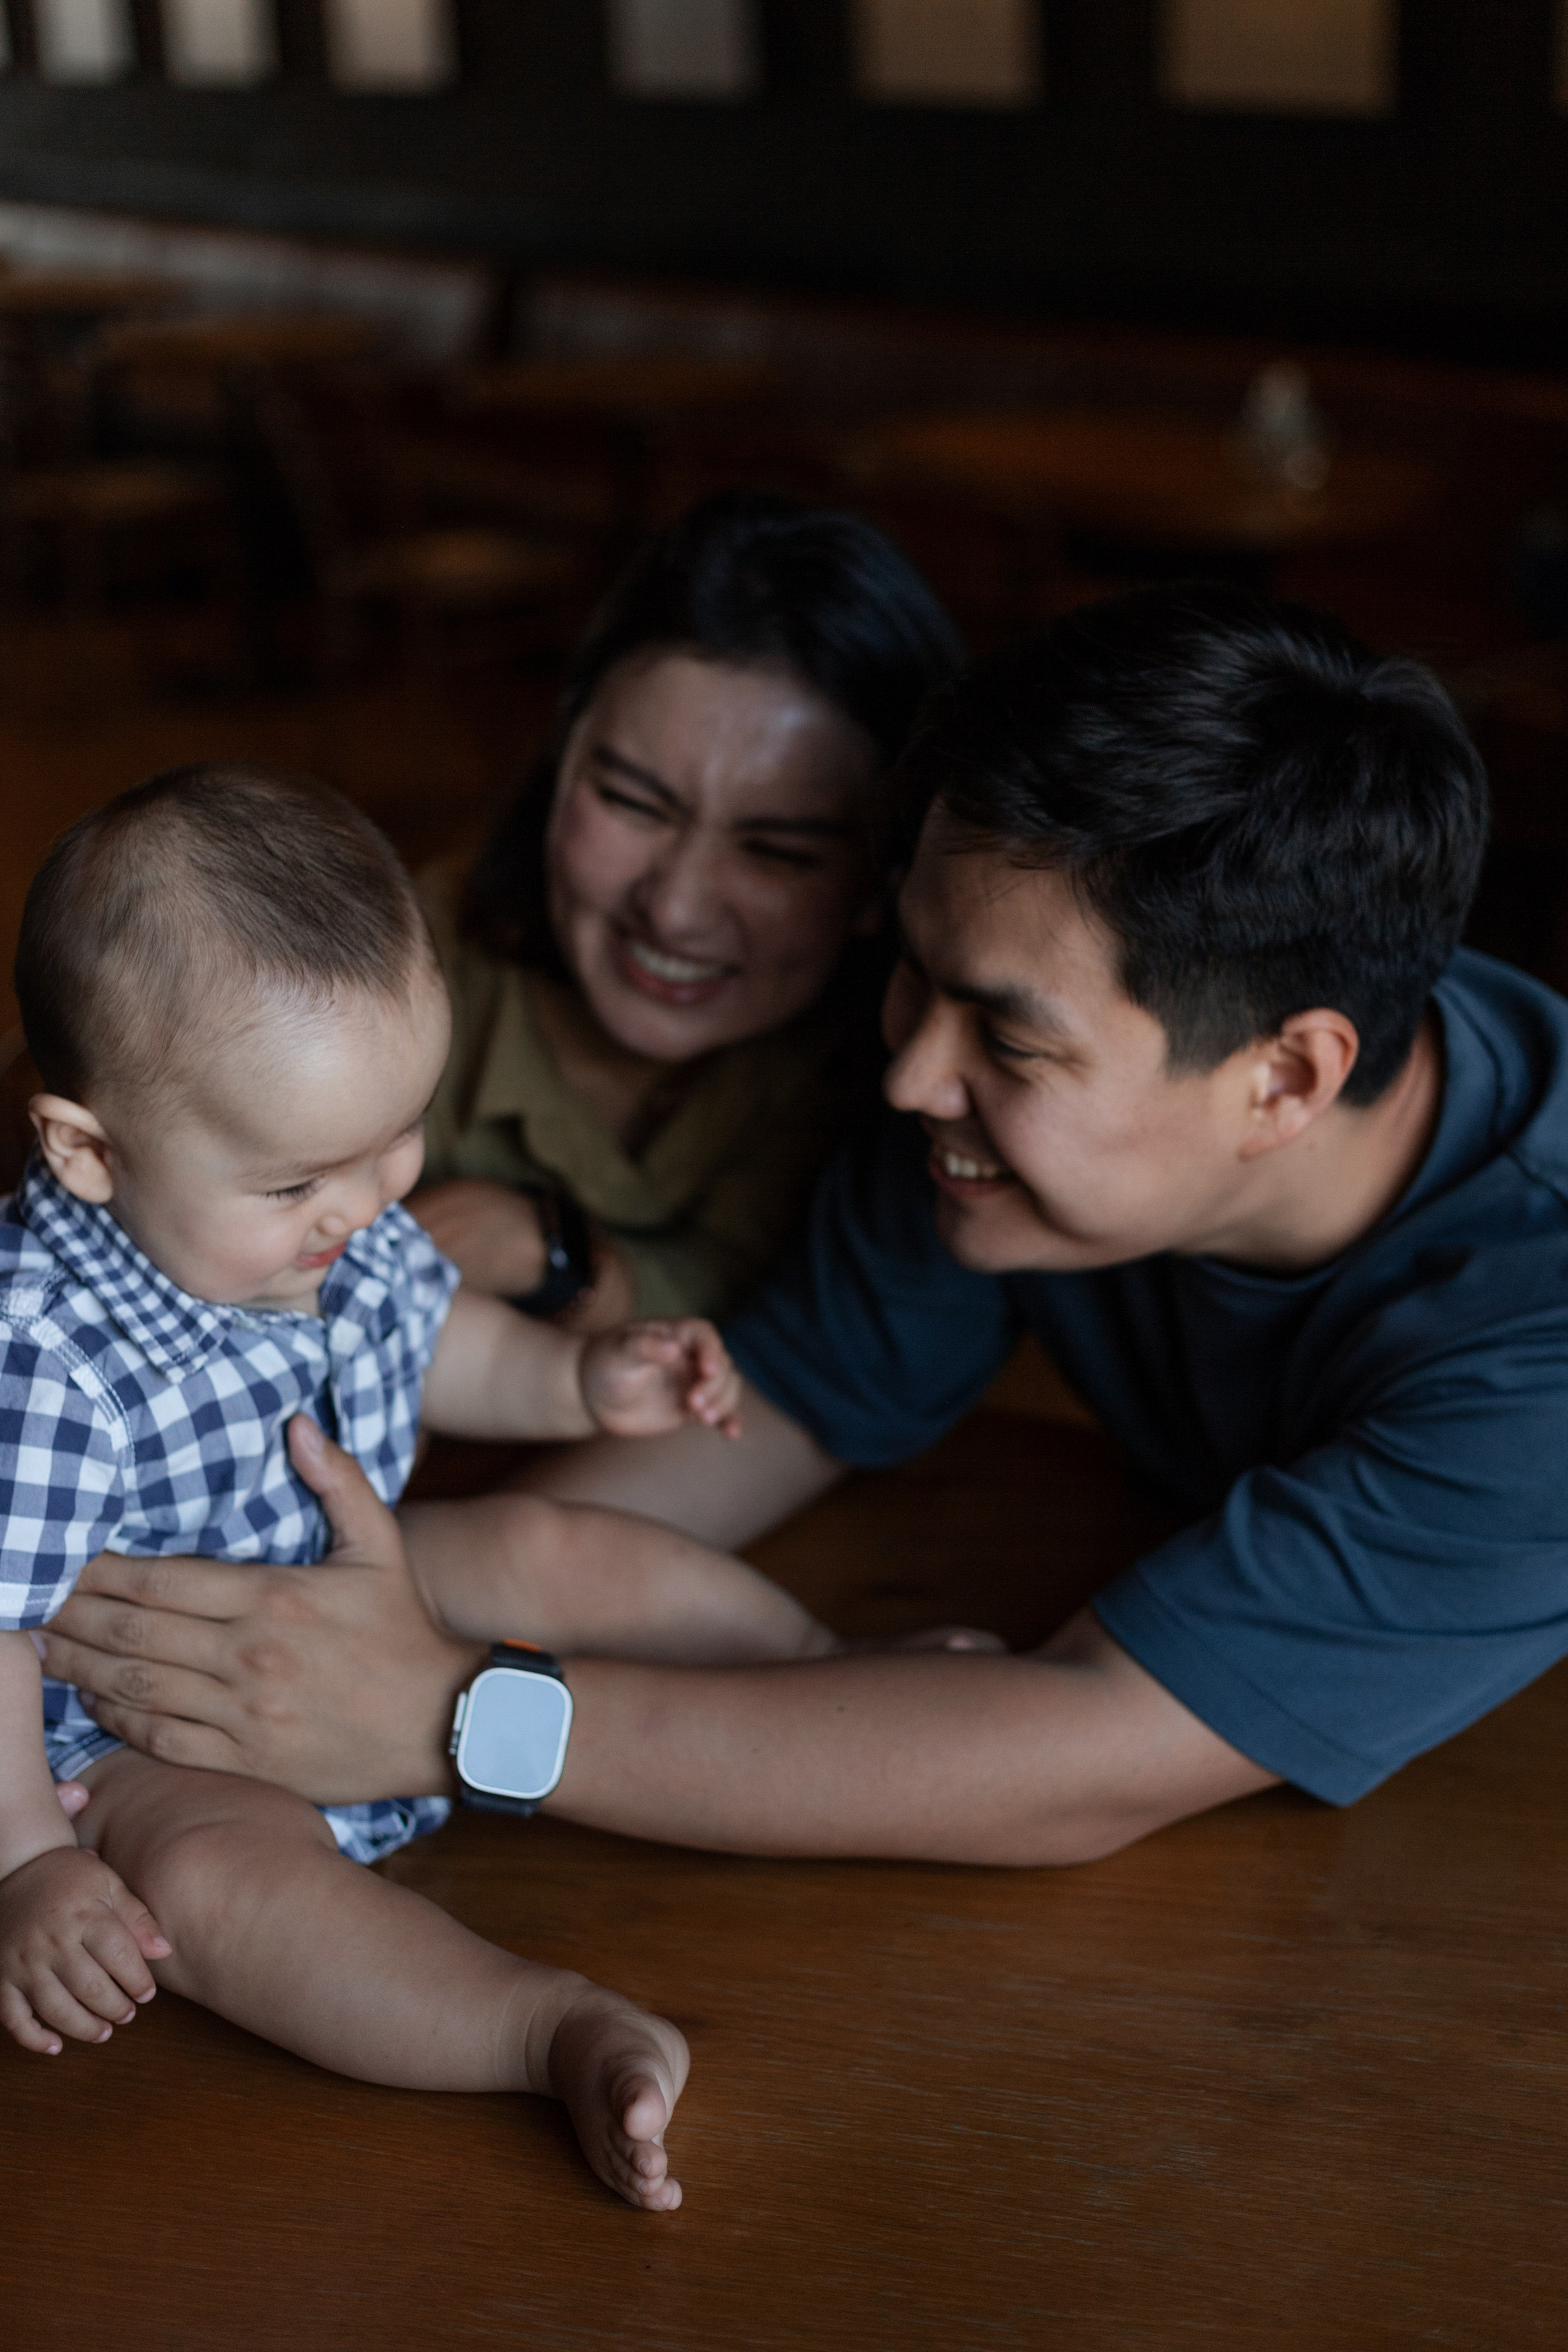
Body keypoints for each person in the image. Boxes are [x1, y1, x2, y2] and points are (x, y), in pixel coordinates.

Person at [44, 585, 1567, 1871]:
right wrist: (261, 1610)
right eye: (914, 975)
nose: (907, 1077)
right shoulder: (998, 1138)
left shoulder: (1541, 1354)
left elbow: (1078, 1758)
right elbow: (773, 1409)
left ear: (1284, 1080)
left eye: (1004, 1041)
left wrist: (444, 1712)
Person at [0, 764, 871, 2210]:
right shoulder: (44, 1356)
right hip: (127, 1718)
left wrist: (578, 1382)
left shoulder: (321, 1208)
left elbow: (436, 1335)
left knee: (547, 1543)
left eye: (396, 1140)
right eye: (297, 1186)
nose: (363, 1205)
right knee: (210, 1890)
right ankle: (540, 2029)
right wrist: (30, 1858)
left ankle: (828, 1674)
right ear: (89, 1151)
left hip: (339, 1581)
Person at [409, 488, 962, 1327]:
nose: (674, 911)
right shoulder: (392, 973)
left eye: (777, 853)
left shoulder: (917, 1084)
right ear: (558, 761)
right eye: (633, 803)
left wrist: (545, 1251)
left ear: (885, 880)